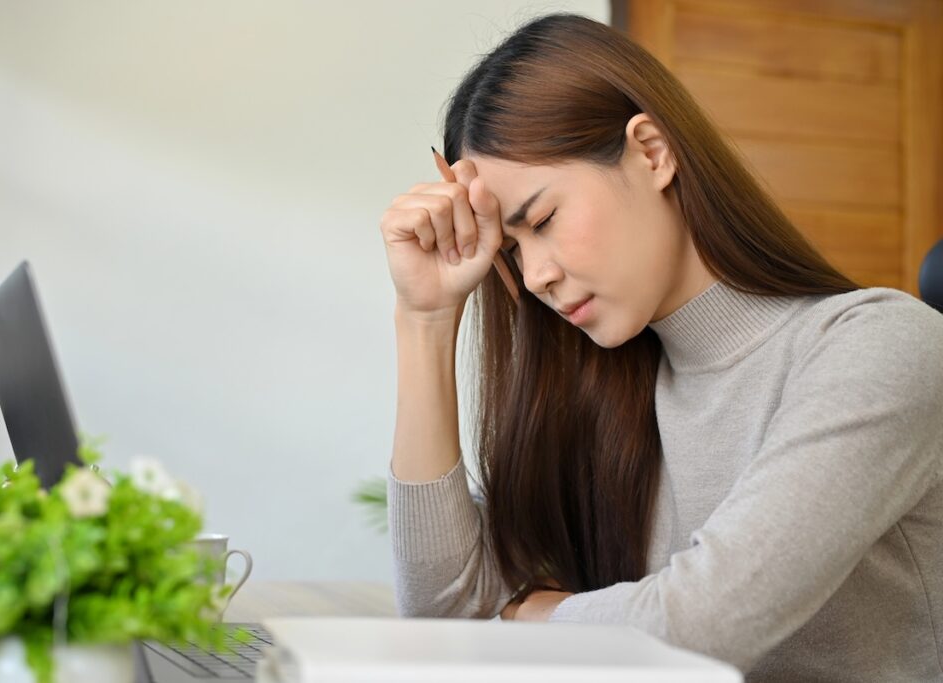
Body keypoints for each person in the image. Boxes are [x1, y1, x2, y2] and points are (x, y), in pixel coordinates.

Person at [378, 12, 943, 682]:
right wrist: (425, 317)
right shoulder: (606, 391)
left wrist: (522, 617)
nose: (535, 277)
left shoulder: (879, 347)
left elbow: (699, 625)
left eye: (545, 220)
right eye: (512, 250)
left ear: (652, 151)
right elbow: (446, 615)